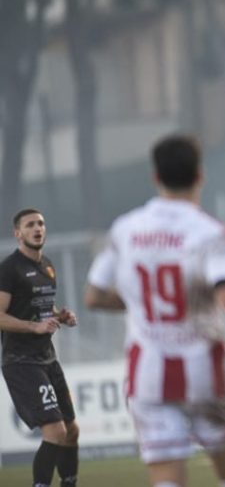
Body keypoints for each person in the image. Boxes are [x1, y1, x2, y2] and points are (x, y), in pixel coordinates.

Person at [84, 134, 225, 487]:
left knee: (166, 477)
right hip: (203, 368)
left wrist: (141, 301)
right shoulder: (211, 234)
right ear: (200, 175)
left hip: (147, 372)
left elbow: (94, 296)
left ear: (155, 176)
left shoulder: (125, 229)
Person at [0, 208, 79, 487]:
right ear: (18, 233)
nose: (37, 228)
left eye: (41, 223)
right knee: (56, 431)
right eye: (30, 225)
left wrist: (61, 316)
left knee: (71, 430)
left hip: (47, 358)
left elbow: (42, 307)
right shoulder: (9, 269)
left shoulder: (47, 265)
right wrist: (33, 327)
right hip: (21, 361)